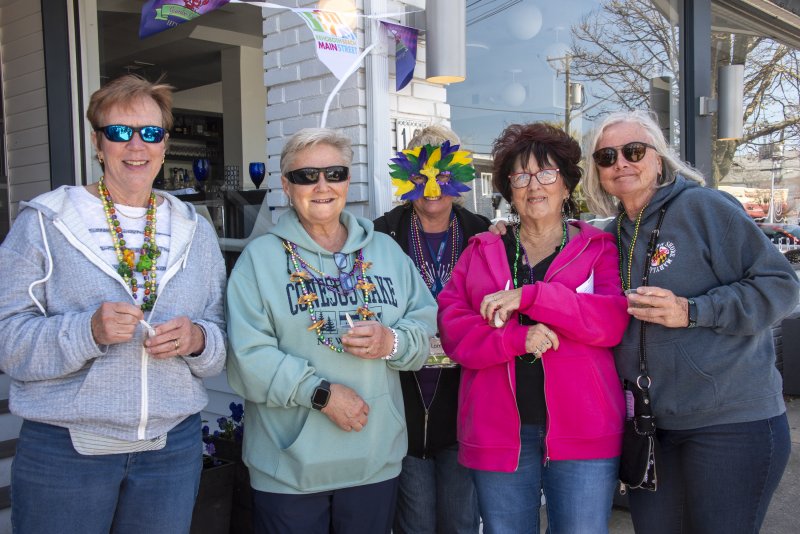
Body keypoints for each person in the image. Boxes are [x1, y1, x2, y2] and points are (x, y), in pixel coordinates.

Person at [0, 74, 227, 533]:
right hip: (66, 452)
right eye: (120, 131)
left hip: (171, 450)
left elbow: (219, 335)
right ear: (97, 143)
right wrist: (87, 332)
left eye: (151, 132)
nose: (136, 145)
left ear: (165, 144)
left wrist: (198, 340)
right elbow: (8, 342)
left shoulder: (195, 229)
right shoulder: (44, 222)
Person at [583, 109, 799, 534]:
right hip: (651, 429)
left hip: (730, 423)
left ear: (658, 158)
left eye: (633, 151)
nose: (620, 163)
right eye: (607, 157)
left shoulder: (703, 207)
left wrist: (693, 310)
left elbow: (780, 286)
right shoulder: (608, 236)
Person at [225, 127, 437, 534]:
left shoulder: (386, 252)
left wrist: (391, 342)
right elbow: (247, 357)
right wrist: (320, 394)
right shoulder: (259, 260)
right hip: (289, 471)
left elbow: (425, 326)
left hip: (373, 463)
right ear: (286, 186)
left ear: (347, 180)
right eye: (306, 176)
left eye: (334, 173)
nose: (322, 186)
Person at [437, 122, 629, 533]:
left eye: (546, 173)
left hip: (584, 428)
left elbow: (610, 322)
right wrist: (513, 339)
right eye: (521, 176)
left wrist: (533, 297)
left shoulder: (597, 248)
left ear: (566, 185)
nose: (534, 186)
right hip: (497, 430)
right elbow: (453, 329)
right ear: (509, 189)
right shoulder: (483, 250)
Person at [374, 125, 487, 534]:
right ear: (407, 178)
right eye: (422, 177)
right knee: (415, 522)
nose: (433, 188)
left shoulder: (482, 234)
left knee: (460, 522)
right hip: (403, 402)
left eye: (443, 175)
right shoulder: (381, 235)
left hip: (464, 404)